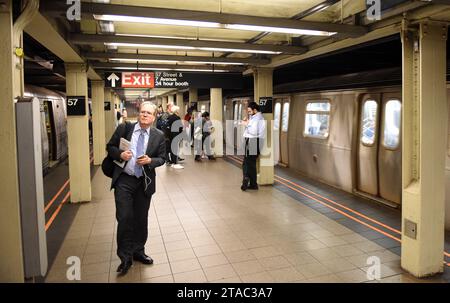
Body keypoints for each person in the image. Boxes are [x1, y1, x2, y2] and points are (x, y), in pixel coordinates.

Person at [106, 101, 166, 275]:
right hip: (124, 180)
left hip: (144, 182)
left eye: (148, 113)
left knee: (141, 218)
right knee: (125, 218)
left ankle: (138, 251)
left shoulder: (158, 135)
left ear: (154, 117)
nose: (145, 115)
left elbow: (162, 158)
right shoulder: (124, 129)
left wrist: (150, 161)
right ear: (139, 113)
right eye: (142, 112)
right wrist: (120, 154)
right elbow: (110, 146)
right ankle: (125, 258)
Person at [241, 101, 265, 191]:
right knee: (250, 163)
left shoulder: (257, 119)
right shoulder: (255, 117)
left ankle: (246, 178)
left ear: (255, 110)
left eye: (250, 111)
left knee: (247, 162)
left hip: (253, 141)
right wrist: (247, 123)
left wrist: (246, 124)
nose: (249, 113)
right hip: (254, 141)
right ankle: (253, 183)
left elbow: (253, 132)